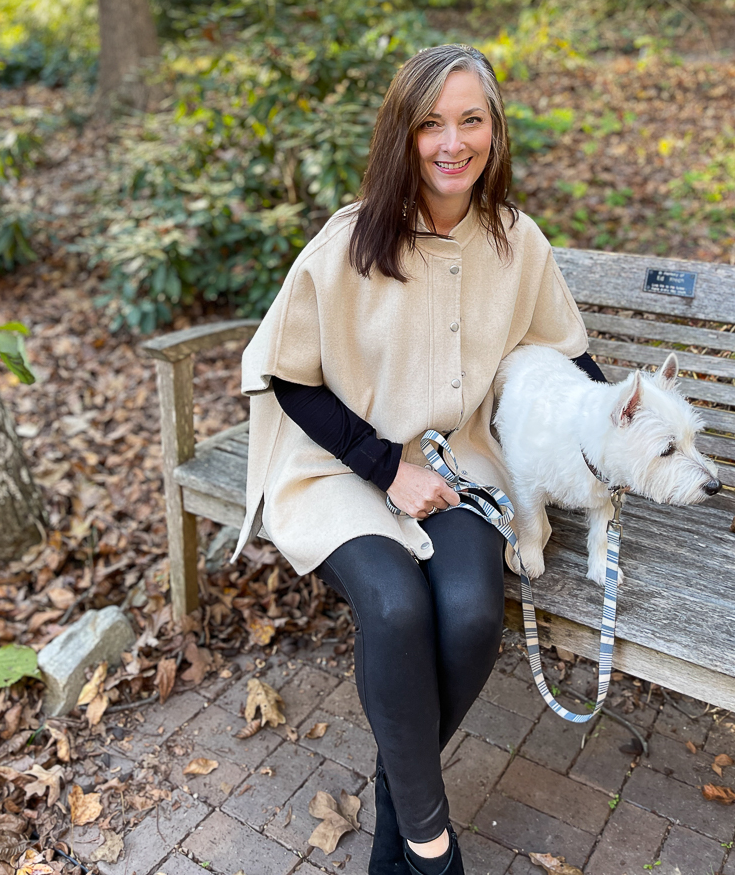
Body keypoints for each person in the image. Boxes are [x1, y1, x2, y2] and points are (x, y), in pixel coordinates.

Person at [231, 44, 606, 874]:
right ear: (402, 133)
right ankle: (431, 850)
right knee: (397, 609)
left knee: (472, 617)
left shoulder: (518, 240)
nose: (452, 142)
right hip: (340, 464)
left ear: (495, 130)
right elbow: (289, 378)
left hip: (459, 462)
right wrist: (384, 468)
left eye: (471, 119)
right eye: (430, 122)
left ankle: (398, 799)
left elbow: (568, 355)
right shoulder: (350, 242)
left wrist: (624, 423)